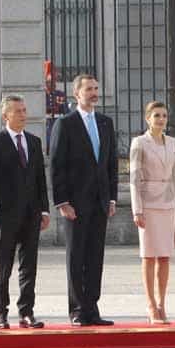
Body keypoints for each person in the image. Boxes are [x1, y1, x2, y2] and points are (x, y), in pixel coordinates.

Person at [50, 74, 118, 327]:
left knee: (94, 256)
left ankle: (92, 307)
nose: (93, 93)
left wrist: (112, 197)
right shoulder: (65, 124)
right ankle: (77, 308)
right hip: (75, 203)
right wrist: (62, 201)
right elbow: (57, 166)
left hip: (100, 201)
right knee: (76, 256)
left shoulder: (105, 123)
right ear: (76, 94)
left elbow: (110, 163)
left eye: (96, 88)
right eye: (88, 89)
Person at [0, 94, 50, 330]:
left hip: (31, 212)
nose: (23, 114)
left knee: (29, 264)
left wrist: (45, 209)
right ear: (5, 116)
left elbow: (41, 178)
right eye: (18, 111)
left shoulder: (33, 141)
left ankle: (26, 311)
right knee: (4, 264)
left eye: (24, 110)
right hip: (6, 213)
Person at [129, 101, 175, 324]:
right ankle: (150, 305)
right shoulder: (139, 143)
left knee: (165, 256)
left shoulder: (172, 143)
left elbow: (174, 179)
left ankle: (162, 304)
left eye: (164, 115)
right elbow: (134, 178)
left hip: (168, 204)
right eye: (156, 116)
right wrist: (137, 210)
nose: (161, 120)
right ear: (147, 119)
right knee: (149, 255)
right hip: (148, 204)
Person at [44, 61, 70, 153]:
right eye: (50, 82)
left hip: (58, 123)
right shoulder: (41, 95)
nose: (53, 84)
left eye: (54, 81)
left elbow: (67, 111)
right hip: (46, 125)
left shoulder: (60, 94)